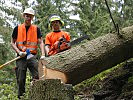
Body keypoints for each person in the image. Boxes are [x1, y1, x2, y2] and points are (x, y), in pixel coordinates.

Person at [11, 7, 45, 99]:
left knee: (38, 75)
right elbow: (12, 43)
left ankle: (38, 96)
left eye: (30, 16)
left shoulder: (36, 29)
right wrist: (18, 52)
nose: (28, 18)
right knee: (21, 79)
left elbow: (41, 42)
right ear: (23, 16)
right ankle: (21, 97)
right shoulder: (17, 28)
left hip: (31, 55)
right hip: (21, 57)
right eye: (27, 16)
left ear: (32, 17)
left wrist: (43, 54)